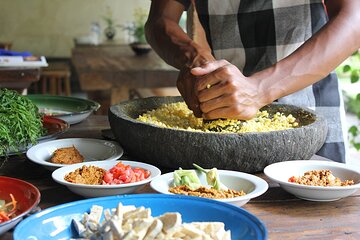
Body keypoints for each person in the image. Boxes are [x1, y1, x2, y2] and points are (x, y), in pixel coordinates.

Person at [144, 0, 360, 163]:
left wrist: (259, 89)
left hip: (310, 114)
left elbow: (354, 17)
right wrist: (195, 59)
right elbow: (160, 20)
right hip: (223, 120)